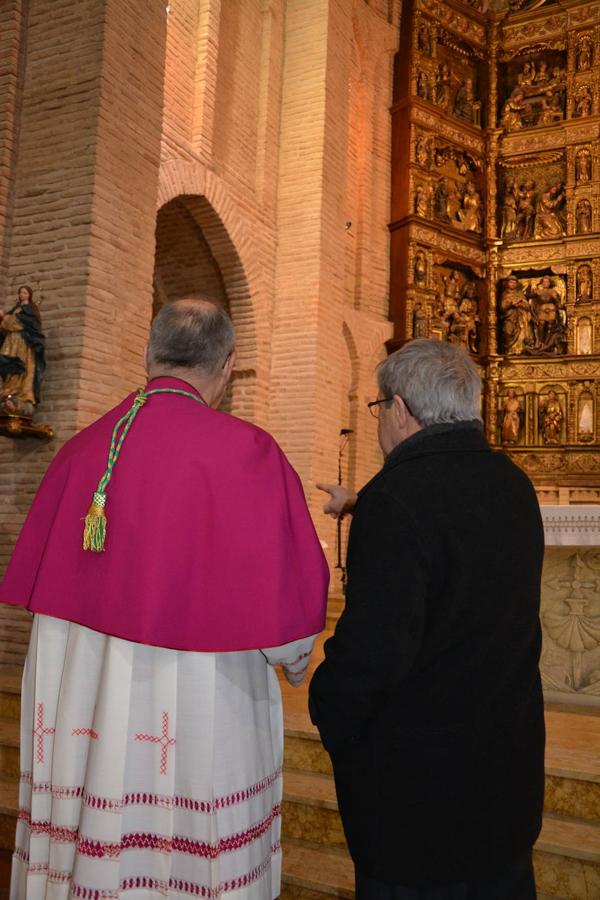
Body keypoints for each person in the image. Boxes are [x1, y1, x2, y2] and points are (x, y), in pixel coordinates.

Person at [0, 298, 328, 899]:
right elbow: (286, 623)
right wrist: (294, 659)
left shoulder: (79, 452)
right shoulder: (248, 452)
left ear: (149, 356)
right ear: (227, 367)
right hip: (202, 699)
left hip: (85, 704)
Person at [311, 339, 544, 900]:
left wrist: (327, 704)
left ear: (399, 408)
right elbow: (455, 537)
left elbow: (373, 656)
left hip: (420, 800)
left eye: (377, 408)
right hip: (505, 778)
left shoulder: (397, 496)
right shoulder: (513, 484)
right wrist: (362, 504)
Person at [0, 285, 46, 417]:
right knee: (7, 364)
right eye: (20, 292)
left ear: (29, 295)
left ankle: (18, 393)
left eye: (25, 293)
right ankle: (7, 390)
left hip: (23, 343)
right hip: (10, 342)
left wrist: (5, 318)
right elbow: (5, 326)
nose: (22, 295)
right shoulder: (16, 309)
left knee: (21, 365)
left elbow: (16, 324)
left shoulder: (30, 311)